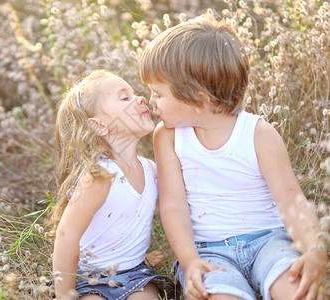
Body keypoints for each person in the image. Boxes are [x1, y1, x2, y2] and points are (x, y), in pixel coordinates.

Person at [139, 14, 328, 300]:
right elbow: (173, 205)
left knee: (298, 289)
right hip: (207, 249)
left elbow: (291, 200)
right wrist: (190, 260)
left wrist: (314, 249)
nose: (150, 102)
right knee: (217, 295)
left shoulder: (258, 134)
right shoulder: (167, 136)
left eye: (158, 94)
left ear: (199, 101)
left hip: (269, 241)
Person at [51, 70, 174, 300]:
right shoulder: (99, 176)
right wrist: (64, 294)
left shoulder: (151, 170)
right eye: (125, 97)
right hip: (90, 278)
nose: (140, 98)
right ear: (99, 125)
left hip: (135, 273)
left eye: (135, 93)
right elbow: (67, 235)